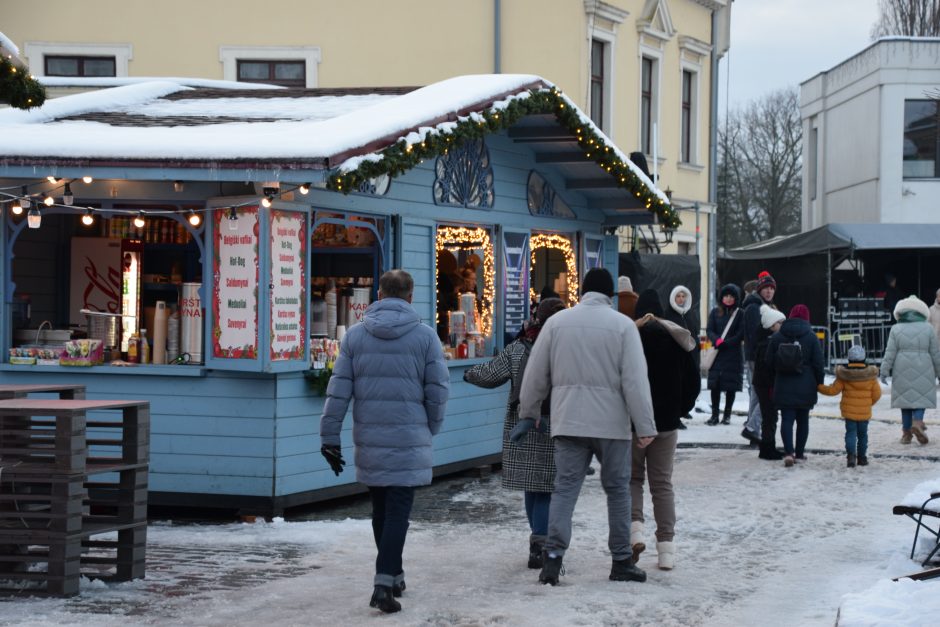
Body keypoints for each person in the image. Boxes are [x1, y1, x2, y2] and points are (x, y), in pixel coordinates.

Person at [319, 269, 450, 614]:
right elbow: (437, 391)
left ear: (379, 294)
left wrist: (329, 437)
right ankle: (382, 583)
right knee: (398, 513)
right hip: (409, 436)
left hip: (370, 437)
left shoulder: (355, 337)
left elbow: (338, 391)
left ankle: (394, 572)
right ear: (410, 296)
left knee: (382, 509)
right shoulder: (425, 337)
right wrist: (431, 427)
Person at [519, 267, 656, 586]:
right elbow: (635, 380)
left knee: (564, 490)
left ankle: (552, 559)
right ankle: (621, 560)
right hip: (611, 426)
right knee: (618, 491)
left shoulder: (556, 323)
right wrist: (645, 425)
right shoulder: (623, 326)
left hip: (569, 421)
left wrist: (530, 411)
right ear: (610, 295)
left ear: (582, 291)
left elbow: (536, 373)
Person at [463, 297, 566, 570]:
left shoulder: (519, 348)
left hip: (520, 425)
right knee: (544, 490)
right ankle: (540, 545)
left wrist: (468, 374)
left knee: (533, 489)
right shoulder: (566, 346)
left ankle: (537, 545)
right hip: (554, 424)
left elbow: (490, 375)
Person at [629, 290, 699, 571]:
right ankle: (666, 550)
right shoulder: (677, 338)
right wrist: (678, 409)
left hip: (633, 423)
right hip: (667, 425)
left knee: (632, 480)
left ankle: (634, 531)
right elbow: (693, 383)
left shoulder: (630, 338)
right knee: (662, 485)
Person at [765, 304, 825, 467]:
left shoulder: (778, 336)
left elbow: (768, 362)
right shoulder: (811, 336)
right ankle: (799, 454)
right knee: (803, 421)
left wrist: (774, 378)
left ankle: (788, 452)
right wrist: (819, 382)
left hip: (783, 384)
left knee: (787, 419)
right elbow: (819, 363)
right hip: (806, 384)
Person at [880, 295, 940, 445]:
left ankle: (906, 434)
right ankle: (918, 422)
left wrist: (884, 370)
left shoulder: (896, 328)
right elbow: (936, 353)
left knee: (905, 402)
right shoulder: (928, 328)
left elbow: (890, 352)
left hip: (902, 368)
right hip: (924, 367)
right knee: (921, 398)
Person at [817, 345, 882, 467]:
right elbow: (877, 394)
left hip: (849, 412)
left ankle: (851, 456)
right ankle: (862, 458)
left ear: (849, 359)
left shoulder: (844, 375)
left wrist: (818, 387)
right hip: (864, 412)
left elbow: (833, 390)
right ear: (864, 359)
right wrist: (868, 403)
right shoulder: (870, 376)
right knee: (863, 435)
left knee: (850, 433)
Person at [742, 272, 777, 445]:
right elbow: (755, 334)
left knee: (757, 395)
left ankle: (752, 431)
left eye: (772, 288)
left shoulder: (763, 306)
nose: (769, 291)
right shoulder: (755, 308)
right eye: (766, 288)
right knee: (767, 395)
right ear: (760, 290)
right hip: (759, 357)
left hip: (759, 356)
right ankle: (751, 428)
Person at [705, 284, 744, 425]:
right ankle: (714, 415)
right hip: (717, 354)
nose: (728, 299)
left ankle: (727, 415)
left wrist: (726, 343)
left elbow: (741, 333)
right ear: (721, 297)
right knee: (715, 385)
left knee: (730, 386)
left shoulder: (740, 314)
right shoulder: (715, 312)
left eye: (731, 296)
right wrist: (717, 340)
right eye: (726, 296)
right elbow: (710, 330)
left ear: (736, 298)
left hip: (733, 355)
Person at [753, 305, 786, 460]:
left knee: (770, 417)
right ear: (772, 326)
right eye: (780, 323)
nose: (782, 326)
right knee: (770, 417)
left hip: (764, 384)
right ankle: (767, 449)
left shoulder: (765, 340)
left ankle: (768, 447)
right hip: (766, 385)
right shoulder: (768, 343)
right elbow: (768, 366)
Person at [664, 284, 699, 425]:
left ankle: (684, 410)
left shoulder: (689, 314)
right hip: (677, 357)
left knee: (688, 384)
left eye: (683, 296)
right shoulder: (669, 315)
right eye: (678, 296)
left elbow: (694, 334)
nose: (681, 299)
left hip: (690, 357)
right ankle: (676, 415)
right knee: (676, 386)